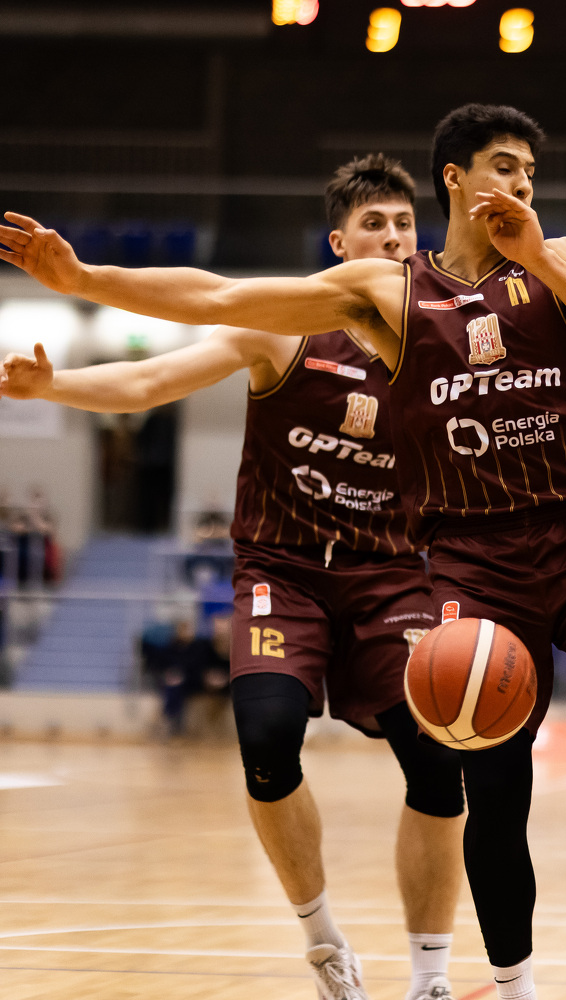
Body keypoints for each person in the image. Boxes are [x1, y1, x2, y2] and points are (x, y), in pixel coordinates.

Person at [0, 103, 566, 1000]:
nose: (522, 184)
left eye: (531, 170)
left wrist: (537, 256)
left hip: (562, 540)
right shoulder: (385, 297)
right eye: (504, 166)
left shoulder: (563, 259)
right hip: (435, 561)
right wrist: (83, 280)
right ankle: (498, 979)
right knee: (485, 777)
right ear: (456, 178)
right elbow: (217, 298)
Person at [0, 155, 467, 1000]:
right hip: (284, 572)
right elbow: (150, 378)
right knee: (266, 737)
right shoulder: (282, 329)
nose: (394, 237)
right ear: (338, 245)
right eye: (374, 224)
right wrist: (54, 384)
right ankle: (325, 944)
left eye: (405, 224)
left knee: (438, 763)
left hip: (392, 578)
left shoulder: (440, 353)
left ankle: (431, 977)